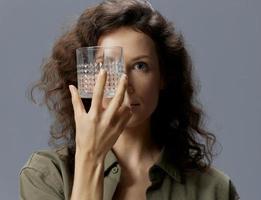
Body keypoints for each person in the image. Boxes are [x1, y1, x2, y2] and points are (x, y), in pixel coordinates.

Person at [19, 0, 240, 199]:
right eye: (106, 66)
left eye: (140, 66)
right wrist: (90, 156)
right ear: (85, 77)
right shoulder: (46, 174)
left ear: (163, 77)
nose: (124, 83)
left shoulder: (214, 189)